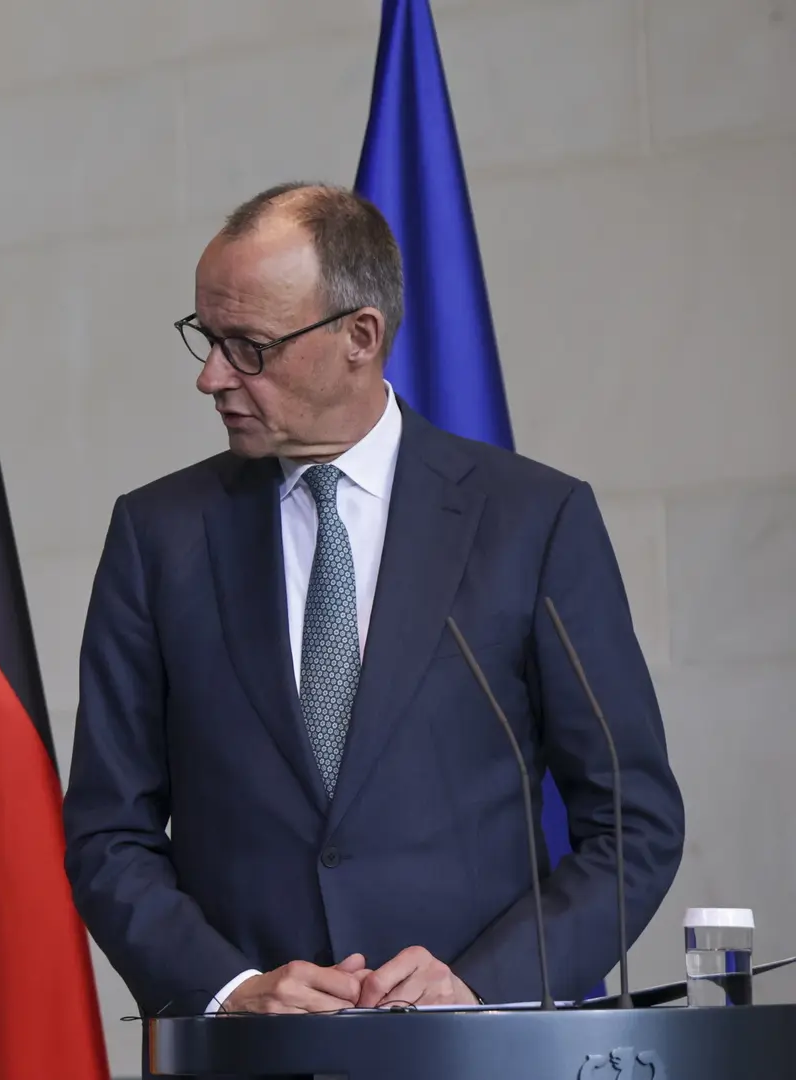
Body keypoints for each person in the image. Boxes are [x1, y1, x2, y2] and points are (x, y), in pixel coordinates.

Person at [62, 184, 684, 1016]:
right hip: (248, 1056)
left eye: (248, 347)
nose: (212, 377)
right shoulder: (157, 535)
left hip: (473, 1055)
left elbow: (634, 823)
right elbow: (108, 832)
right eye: (207, 339)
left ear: (360, 336)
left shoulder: (532, 521)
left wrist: (482, 987)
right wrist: (230, 989)